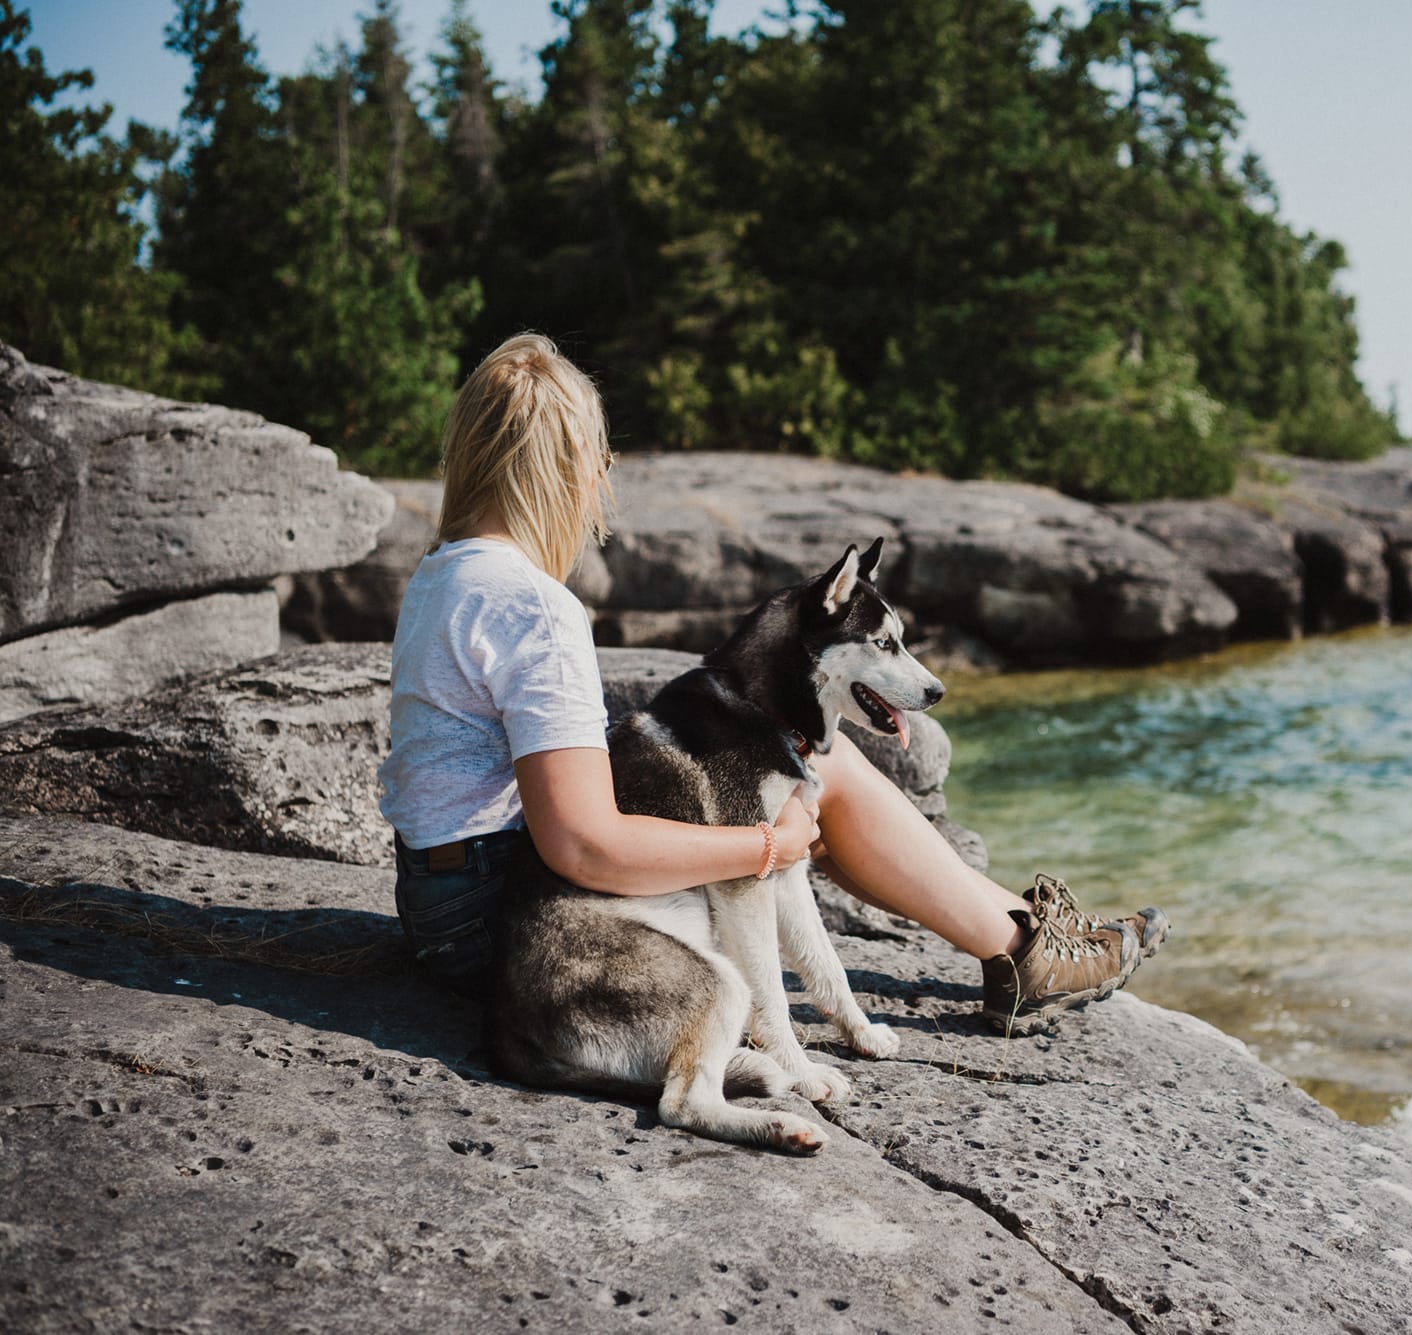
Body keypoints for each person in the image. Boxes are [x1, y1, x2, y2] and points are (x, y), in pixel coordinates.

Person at [377, 333, 1168, 1036]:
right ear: (560, 470)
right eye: (599, 461)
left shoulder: (442, 577)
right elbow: (584, 844)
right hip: (511, 927)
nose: (600, 485)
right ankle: (1028, 950)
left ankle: (1025, 931)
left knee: (782, 759)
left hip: (437, 906)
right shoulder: (534, 607)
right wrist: (766, 846)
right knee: (804, 773)